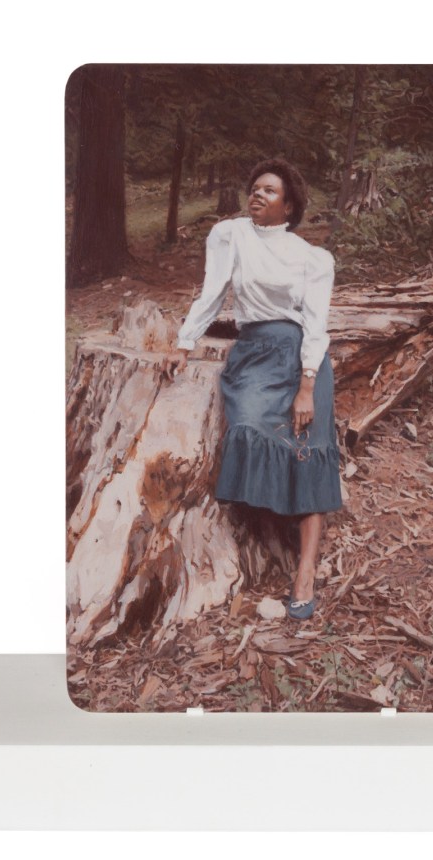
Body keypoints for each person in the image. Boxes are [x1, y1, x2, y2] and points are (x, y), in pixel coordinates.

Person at [162, 158, 341, 620]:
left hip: (301, 356)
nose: (258, 195)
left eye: (270, 191)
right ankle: (261, 531)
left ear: (289, 206)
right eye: (255, 187)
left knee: (308, 449)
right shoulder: (231, 235)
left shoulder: (311, 257)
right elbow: (212, 290)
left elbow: (317, 326)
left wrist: (306, 386)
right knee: (246, 426)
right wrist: (184, 344)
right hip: (255, 353)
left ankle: (304, 572)